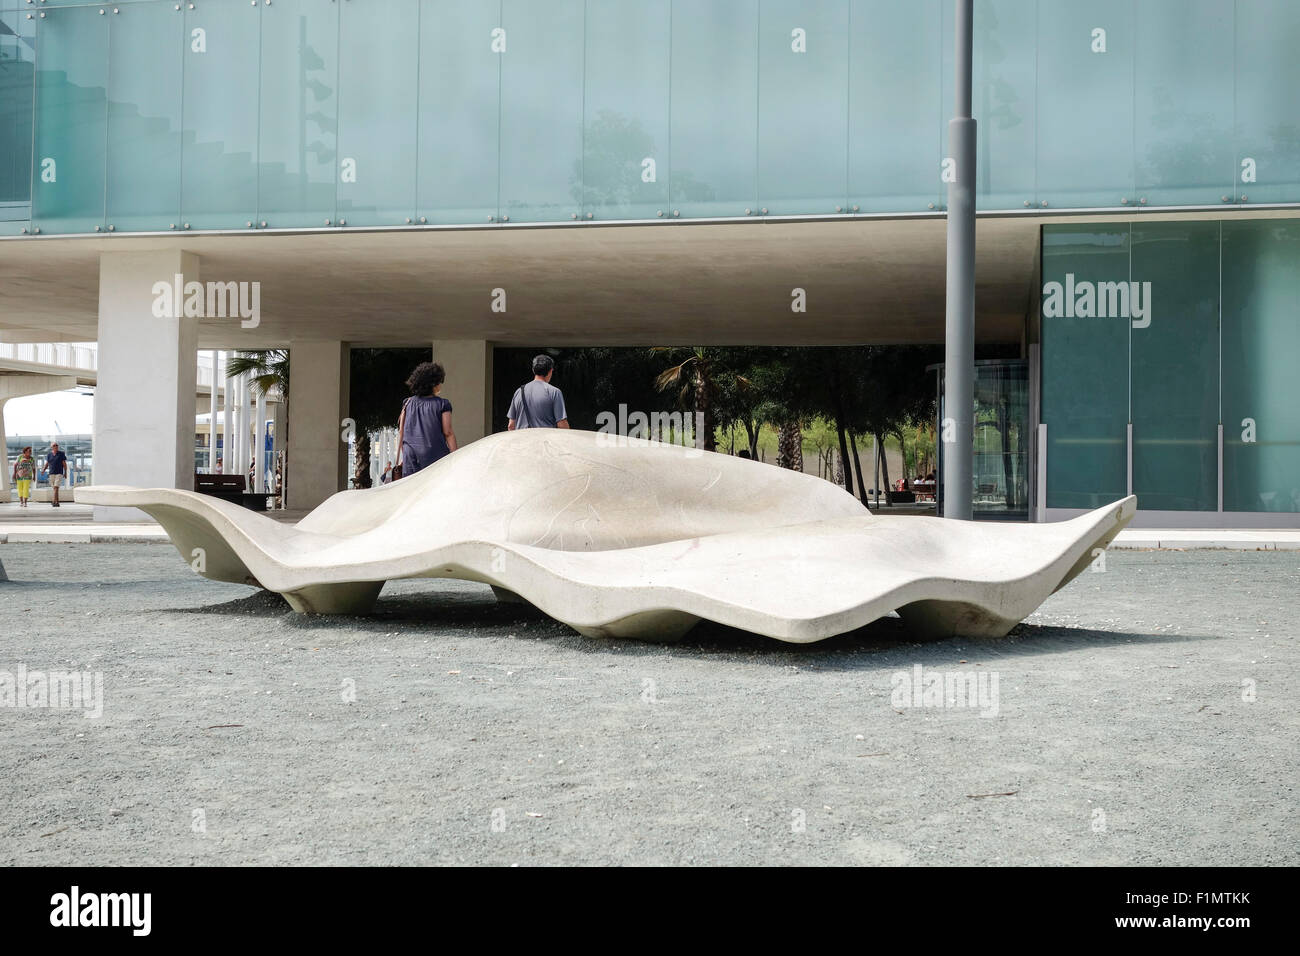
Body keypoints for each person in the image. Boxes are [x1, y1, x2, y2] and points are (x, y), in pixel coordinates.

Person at [396, 361, 457, 478]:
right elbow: (448, 432)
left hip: (411, 457)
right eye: (439, 382)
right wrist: (456, 456)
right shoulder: (443, 404)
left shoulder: (407, 403)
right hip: (436, 457)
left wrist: (406, 455)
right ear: (433, 384)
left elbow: (401, 432)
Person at [507, 354, 570, 430]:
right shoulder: (554, 392)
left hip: (522, 440)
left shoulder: (519, 391)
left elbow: (511, 425)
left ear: (533, 370)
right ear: (550, 371)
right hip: (545, 440)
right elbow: (561, 424)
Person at [42, 441, 68, 508]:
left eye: (56, 445)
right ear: (51, 447)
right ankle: (56, 501)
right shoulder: (49, 455)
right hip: (51, 473)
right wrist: (43, 470)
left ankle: (54, 501)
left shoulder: (61, 454)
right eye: (54, 445)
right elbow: (47, 463)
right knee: (55, 488)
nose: (56, 446)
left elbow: (64, 464)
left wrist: (65, 472)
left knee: (56, 487)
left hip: (59, 473)